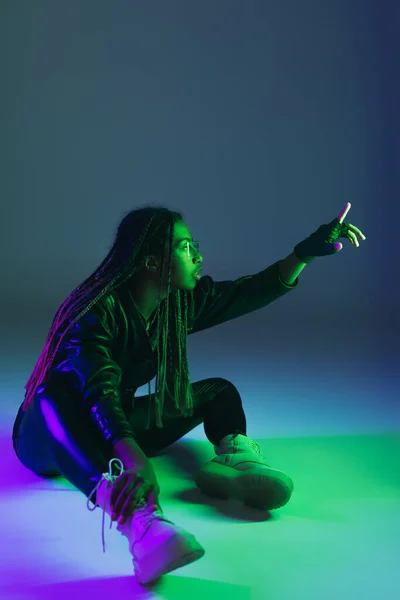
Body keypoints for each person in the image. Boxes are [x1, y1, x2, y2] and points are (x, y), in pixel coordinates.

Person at [11, 203, 366, 585]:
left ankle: (234, 462)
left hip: (114, 423)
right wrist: (131, 455)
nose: (198, 256)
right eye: (184, 247)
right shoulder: (98, 311)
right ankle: (137, 520)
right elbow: (96, 390)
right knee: (53, 393)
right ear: (151, 261)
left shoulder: (173, 306)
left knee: (219, 393)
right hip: (48, 437)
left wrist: (304, 254)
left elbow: (246, 292)